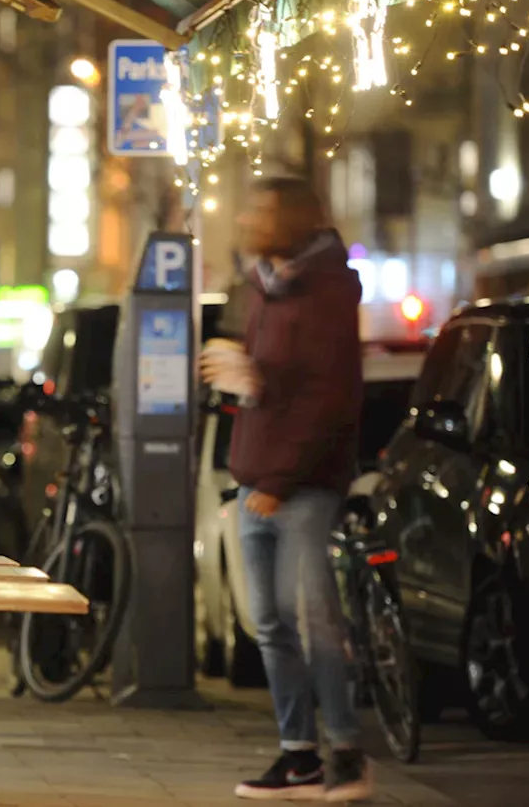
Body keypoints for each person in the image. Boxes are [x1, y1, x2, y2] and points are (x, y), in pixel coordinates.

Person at [200, 177, 370, 801]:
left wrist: (278, 479)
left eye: (262, 210)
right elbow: (275, 385)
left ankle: (347, 751)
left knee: (315, 618)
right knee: (269, 623)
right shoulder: (265, 286)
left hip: (301, 485)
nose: (247, 218)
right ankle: (299, 754)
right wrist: (247, 376)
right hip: (257, 476)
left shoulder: (324, 289)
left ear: (293, 219)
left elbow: (329, 399)